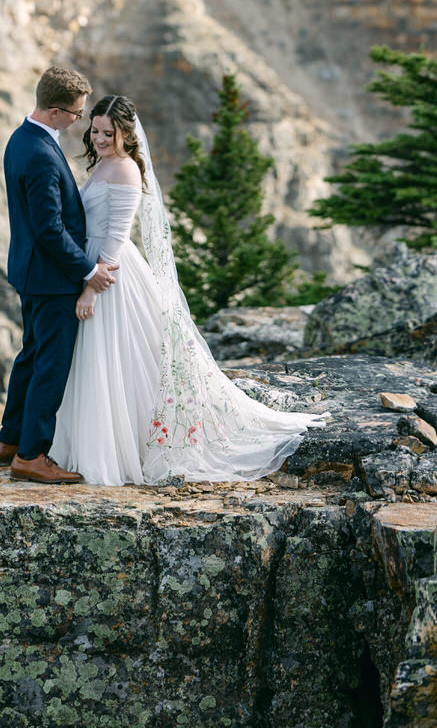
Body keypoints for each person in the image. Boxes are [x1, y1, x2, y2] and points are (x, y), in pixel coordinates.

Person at [49, 94, 327, 486]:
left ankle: (119, 448)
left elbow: (116, 235)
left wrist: (92, 288)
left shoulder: (126, 170)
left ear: (126, 134)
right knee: (105, 363)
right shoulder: (104, 164)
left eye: (108, 133)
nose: (98, 138)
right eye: (94, 130)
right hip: (93, 264)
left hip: (110, 273)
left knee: (114, 358)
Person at [0, 66, 118, 484]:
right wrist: (87, 270)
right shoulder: (43, 155)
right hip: (51, 278)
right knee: (51, 364)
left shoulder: (21, 138)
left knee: (30, 356)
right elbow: (50, 229)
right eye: (77, 114)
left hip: (30, 272)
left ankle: (8, 441)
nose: (80, 121)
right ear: (54, 110)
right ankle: (31, 455)